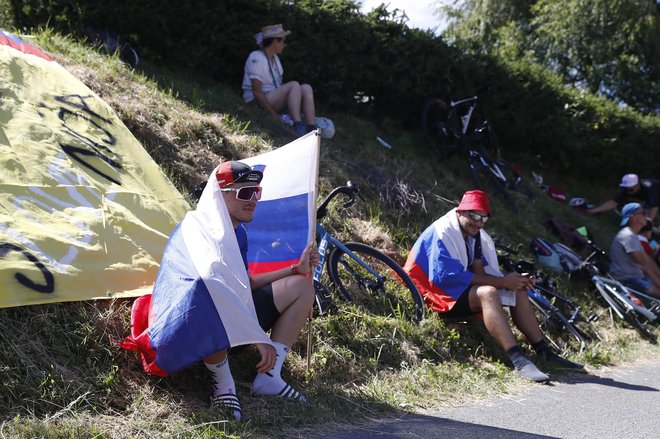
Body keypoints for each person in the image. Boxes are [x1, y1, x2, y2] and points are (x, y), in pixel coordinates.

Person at [404, 190, 582, 383]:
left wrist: (513, 281)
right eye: (474, 215)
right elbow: (447, 277)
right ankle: (518, 359)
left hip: (455, 288)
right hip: (433, 291)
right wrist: (503, 282)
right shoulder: (444, 231)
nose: (478, 222)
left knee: (518, 290)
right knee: (487, 293)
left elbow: (479, 273)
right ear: (460, 212)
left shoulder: (474, 234)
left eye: (483, 219)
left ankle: (544, 351)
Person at [203, 161, 319, 419]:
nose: (253, 199)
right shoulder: (204, 231)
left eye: (256, 192)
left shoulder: (239, 231)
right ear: (221, 194)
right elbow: (213, 292)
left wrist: (296, 269)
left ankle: (269, 377)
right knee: (208, 305)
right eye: (245, 193)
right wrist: (256, 335)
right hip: (207, 324)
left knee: (303, 287)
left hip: (235, 317)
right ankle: (223, 386)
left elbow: (246, 282)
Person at [242, 24, 316, 136]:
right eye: (283, 41)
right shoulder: (257, 57)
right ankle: (298, 125)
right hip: (257, 102)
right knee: (294, 85)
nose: (284, 45)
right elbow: (257, 92)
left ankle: (312, 128)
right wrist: (274, 115)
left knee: (306, 88)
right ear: (275, 41)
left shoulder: (275, 59)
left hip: (272, 98)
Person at [608, 203, 660, 298]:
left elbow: (648, 261)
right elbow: (644, 265)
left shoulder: (632, 235)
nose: (646, 216)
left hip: (636, 276)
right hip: (627, 279)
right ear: (634, 217)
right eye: (643, 213)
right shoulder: (628, 236)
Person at [588, 173, 660, 221]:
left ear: (637, 185)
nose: (628, 192)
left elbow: (654, 207)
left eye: (630, 190)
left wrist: (648, 224)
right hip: (653, 201)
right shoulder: (628, 188)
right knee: (641, 214)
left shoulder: (649, 188)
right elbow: (614, 202)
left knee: (647, 219)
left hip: (656, 200)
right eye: (626, 189)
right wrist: (594, 210)